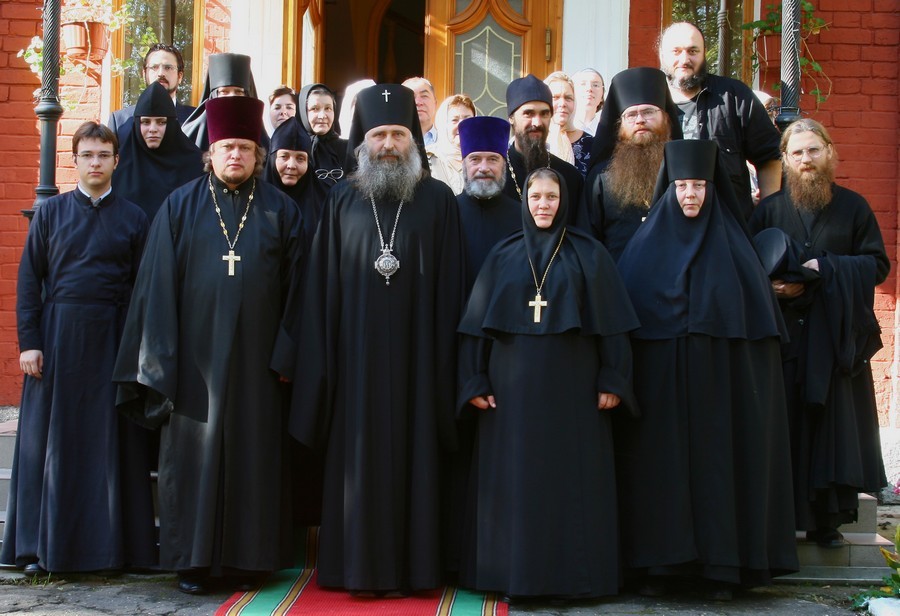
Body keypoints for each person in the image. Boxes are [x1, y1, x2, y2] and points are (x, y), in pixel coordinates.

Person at [113, 96, 304, 595]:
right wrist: (160, 360)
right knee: (192, 459)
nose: (235, 155)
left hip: (260, 366)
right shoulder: (179, 206)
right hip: (193, 367)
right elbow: (155, 286)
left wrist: (288, 355)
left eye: (244, 147)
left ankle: (251, 561)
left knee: (255, 457)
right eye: (226, 148)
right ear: (210, 153)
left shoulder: (281, 210)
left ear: (257, 155)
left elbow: (300, 290)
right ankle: (192, 563)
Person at [288, 83, 464, 593]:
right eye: (379, 135)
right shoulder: (341, 200)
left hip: (419, 364)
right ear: (362, 141)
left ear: (414, 140)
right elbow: (321, 290)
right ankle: (355, 567)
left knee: (417, 457)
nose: (389, 144)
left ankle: (416, 568)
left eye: (398, 135)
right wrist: (321, 365)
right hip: (355, 365)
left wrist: (447, 366)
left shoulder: (439, 200)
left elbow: (453, 289)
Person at [615, 139, 798, 599]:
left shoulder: (738, 253)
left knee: (721, 473)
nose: (690, 195)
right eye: (681, 186)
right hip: (662, 396)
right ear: (669, 189)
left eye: (698, 185)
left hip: (723, 394)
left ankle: (723, 569)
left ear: (712, 189)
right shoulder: (641, 251)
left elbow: (758, 346)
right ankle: (660, 567)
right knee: (661, 473)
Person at [457, 167, 639, 599]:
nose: (543, 205)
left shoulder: (589, 254)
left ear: (564, 202)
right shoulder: (503, 254)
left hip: (573, 391)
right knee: (516, 483)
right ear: (525, 200)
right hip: (510, 396)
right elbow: (475, 327)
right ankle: (510, 575)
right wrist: (475, 380)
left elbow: (613, 325)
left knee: (569, 484)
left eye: (551, 197)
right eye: (535, 197)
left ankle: (572, 580)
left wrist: (613, 377)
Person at [1, 122, 154, 576]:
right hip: (58, 339)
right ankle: (41, 548)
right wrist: (29, 343)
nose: (95, 163)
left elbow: (143, 288)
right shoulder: (50, 214)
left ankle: (111, 552)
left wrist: (138, 351)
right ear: (74, 160)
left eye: (103, 155)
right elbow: (29, 282)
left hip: (113, 338)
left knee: (109, 443)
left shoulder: (135, 217)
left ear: (116, 161)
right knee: (54, 442)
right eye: (87, 155)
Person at [749, 119, 890, 548]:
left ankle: (826, 523)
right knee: (785, 426)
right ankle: (781, 521)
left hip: (834, 340)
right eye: (797, 153)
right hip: (785, 340)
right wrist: (773, 288)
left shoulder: (854, 207)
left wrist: (826, 269)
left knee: (830, 430)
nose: (806, 160)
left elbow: (877, 265)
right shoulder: (768, 211)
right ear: (786, 160)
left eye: (813, 150)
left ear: (829, 151)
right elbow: (747, 268)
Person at [659, 21, 782, 219]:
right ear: (662, 55)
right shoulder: (650, 104)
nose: (685, 59)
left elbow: (769, 155)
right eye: (676, 51)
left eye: (693, 51)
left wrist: (767, 214)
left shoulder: (734, 96)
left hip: (727, 224)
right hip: (665, 224)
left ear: (704, 53)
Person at [579, 67, 681, 261]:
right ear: (620, 125)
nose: (640, 120)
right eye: (631, 115)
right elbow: (589, 242)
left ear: (666, 118)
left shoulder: (683, 171)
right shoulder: (601, 178)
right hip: (617, 277)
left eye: (648, 112)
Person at [112, 81, 204, 222]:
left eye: (161, 122)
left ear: (172, 124)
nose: (153, 129)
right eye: (146, 122)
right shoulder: (118, 167)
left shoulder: (195, 165)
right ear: (137, 124)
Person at [503, 74, 583, 224]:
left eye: (544, 114)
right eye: (528, 113)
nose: (537, 122)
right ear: (511, 117)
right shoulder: (496, 175)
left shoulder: (570, 177)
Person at [456, 115, 521, 288]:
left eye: (493, 159)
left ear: (503, 165)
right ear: (464, 164)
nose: (484, 168)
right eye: (475, 159)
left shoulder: (522, 216)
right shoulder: (448, 213)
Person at [106, 43, 195, 138]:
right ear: (144, 74)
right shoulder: (119, 121)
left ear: (180, 76)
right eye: (154, 67)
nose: (161, 73)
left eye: (168, 68)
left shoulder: (196, 119)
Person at [182, 52, 266, 150]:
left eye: (238, 92)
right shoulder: (190, 136)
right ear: (213, 95)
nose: (232, 97)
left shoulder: (260, 135)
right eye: (224, 92)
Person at [264, 116, 327, 243]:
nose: (291, 165)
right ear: (272, 159)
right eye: (284, 156)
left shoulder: (325, 202)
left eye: (300, 158)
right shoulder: (253, 199)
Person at [297, 82, 348, 189]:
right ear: (303, 112)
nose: (322, 116)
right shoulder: (295, 149)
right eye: (315, 109)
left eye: (328, 108)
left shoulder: (348, 149)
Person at [544, 71, 593, 175]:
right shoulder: (534, 142)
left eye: (568, 98)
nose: (562, 103)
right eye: (555, 97)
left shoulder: (591, 144)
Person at [425, 94, 476, 195]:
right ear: (443, 124)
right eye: (454, 120)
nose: (461, 125)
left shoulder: (484, 158)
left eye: (467, 119)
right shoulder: (427, 158)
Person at [402, 76, 439, 146]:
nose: (418, 102)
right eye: (411, 97)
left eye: (424, 96)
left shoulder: (448, 142)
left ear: (435, 103)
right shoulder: (392, 143)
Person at [572, 68, 605, 136]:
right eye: (583, 84)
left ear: (602, 96)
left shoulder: (607, 134)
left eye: (595, 85)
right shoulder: (561, 130)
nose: (589, 89)